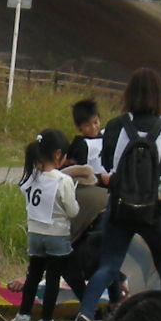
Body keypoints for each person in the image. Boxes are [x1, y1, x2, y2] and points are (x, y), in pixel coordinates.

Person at [73, 69, 161, 321]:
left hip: (120, 205)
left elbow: (109, 162)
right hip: (152, 208)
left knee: (109, 263)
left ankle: (85, 315)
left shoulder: (115, 126)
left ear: (129, 94)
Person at [17, 130, 77, 321]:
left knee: (33, 274)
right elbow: (73, 210)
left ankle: (23, 314)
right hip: (57, 235)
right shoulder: (63, 180)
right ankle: (46, 319)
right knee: (52, 278)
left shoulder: (30, 177)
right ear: (58, 154)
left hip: (35, 234)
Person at [66, 98, 110, 240]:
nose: (93, 128)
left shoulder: (107, 139)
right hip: (91, 188)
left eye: (96, 122)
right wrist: (99, 177)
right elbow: (78, 172)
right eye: (87, 125)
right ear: (79, 127)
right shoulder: (80, 145)